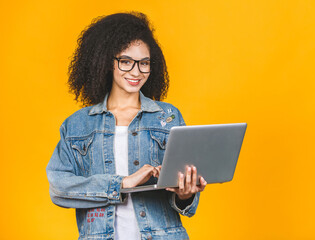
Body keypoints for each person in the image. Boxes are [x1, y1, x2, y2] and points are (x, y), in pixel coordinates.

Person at [46, 12, 207, 240]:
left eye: (144, 63)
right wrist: (121, 183)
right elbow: (60, 189)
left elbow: (184, 199)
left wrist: (186, 194)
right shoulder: (77, 125)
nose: (136, 72)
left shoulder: (168, 116)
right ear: (105, 61)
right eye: (125, 62)